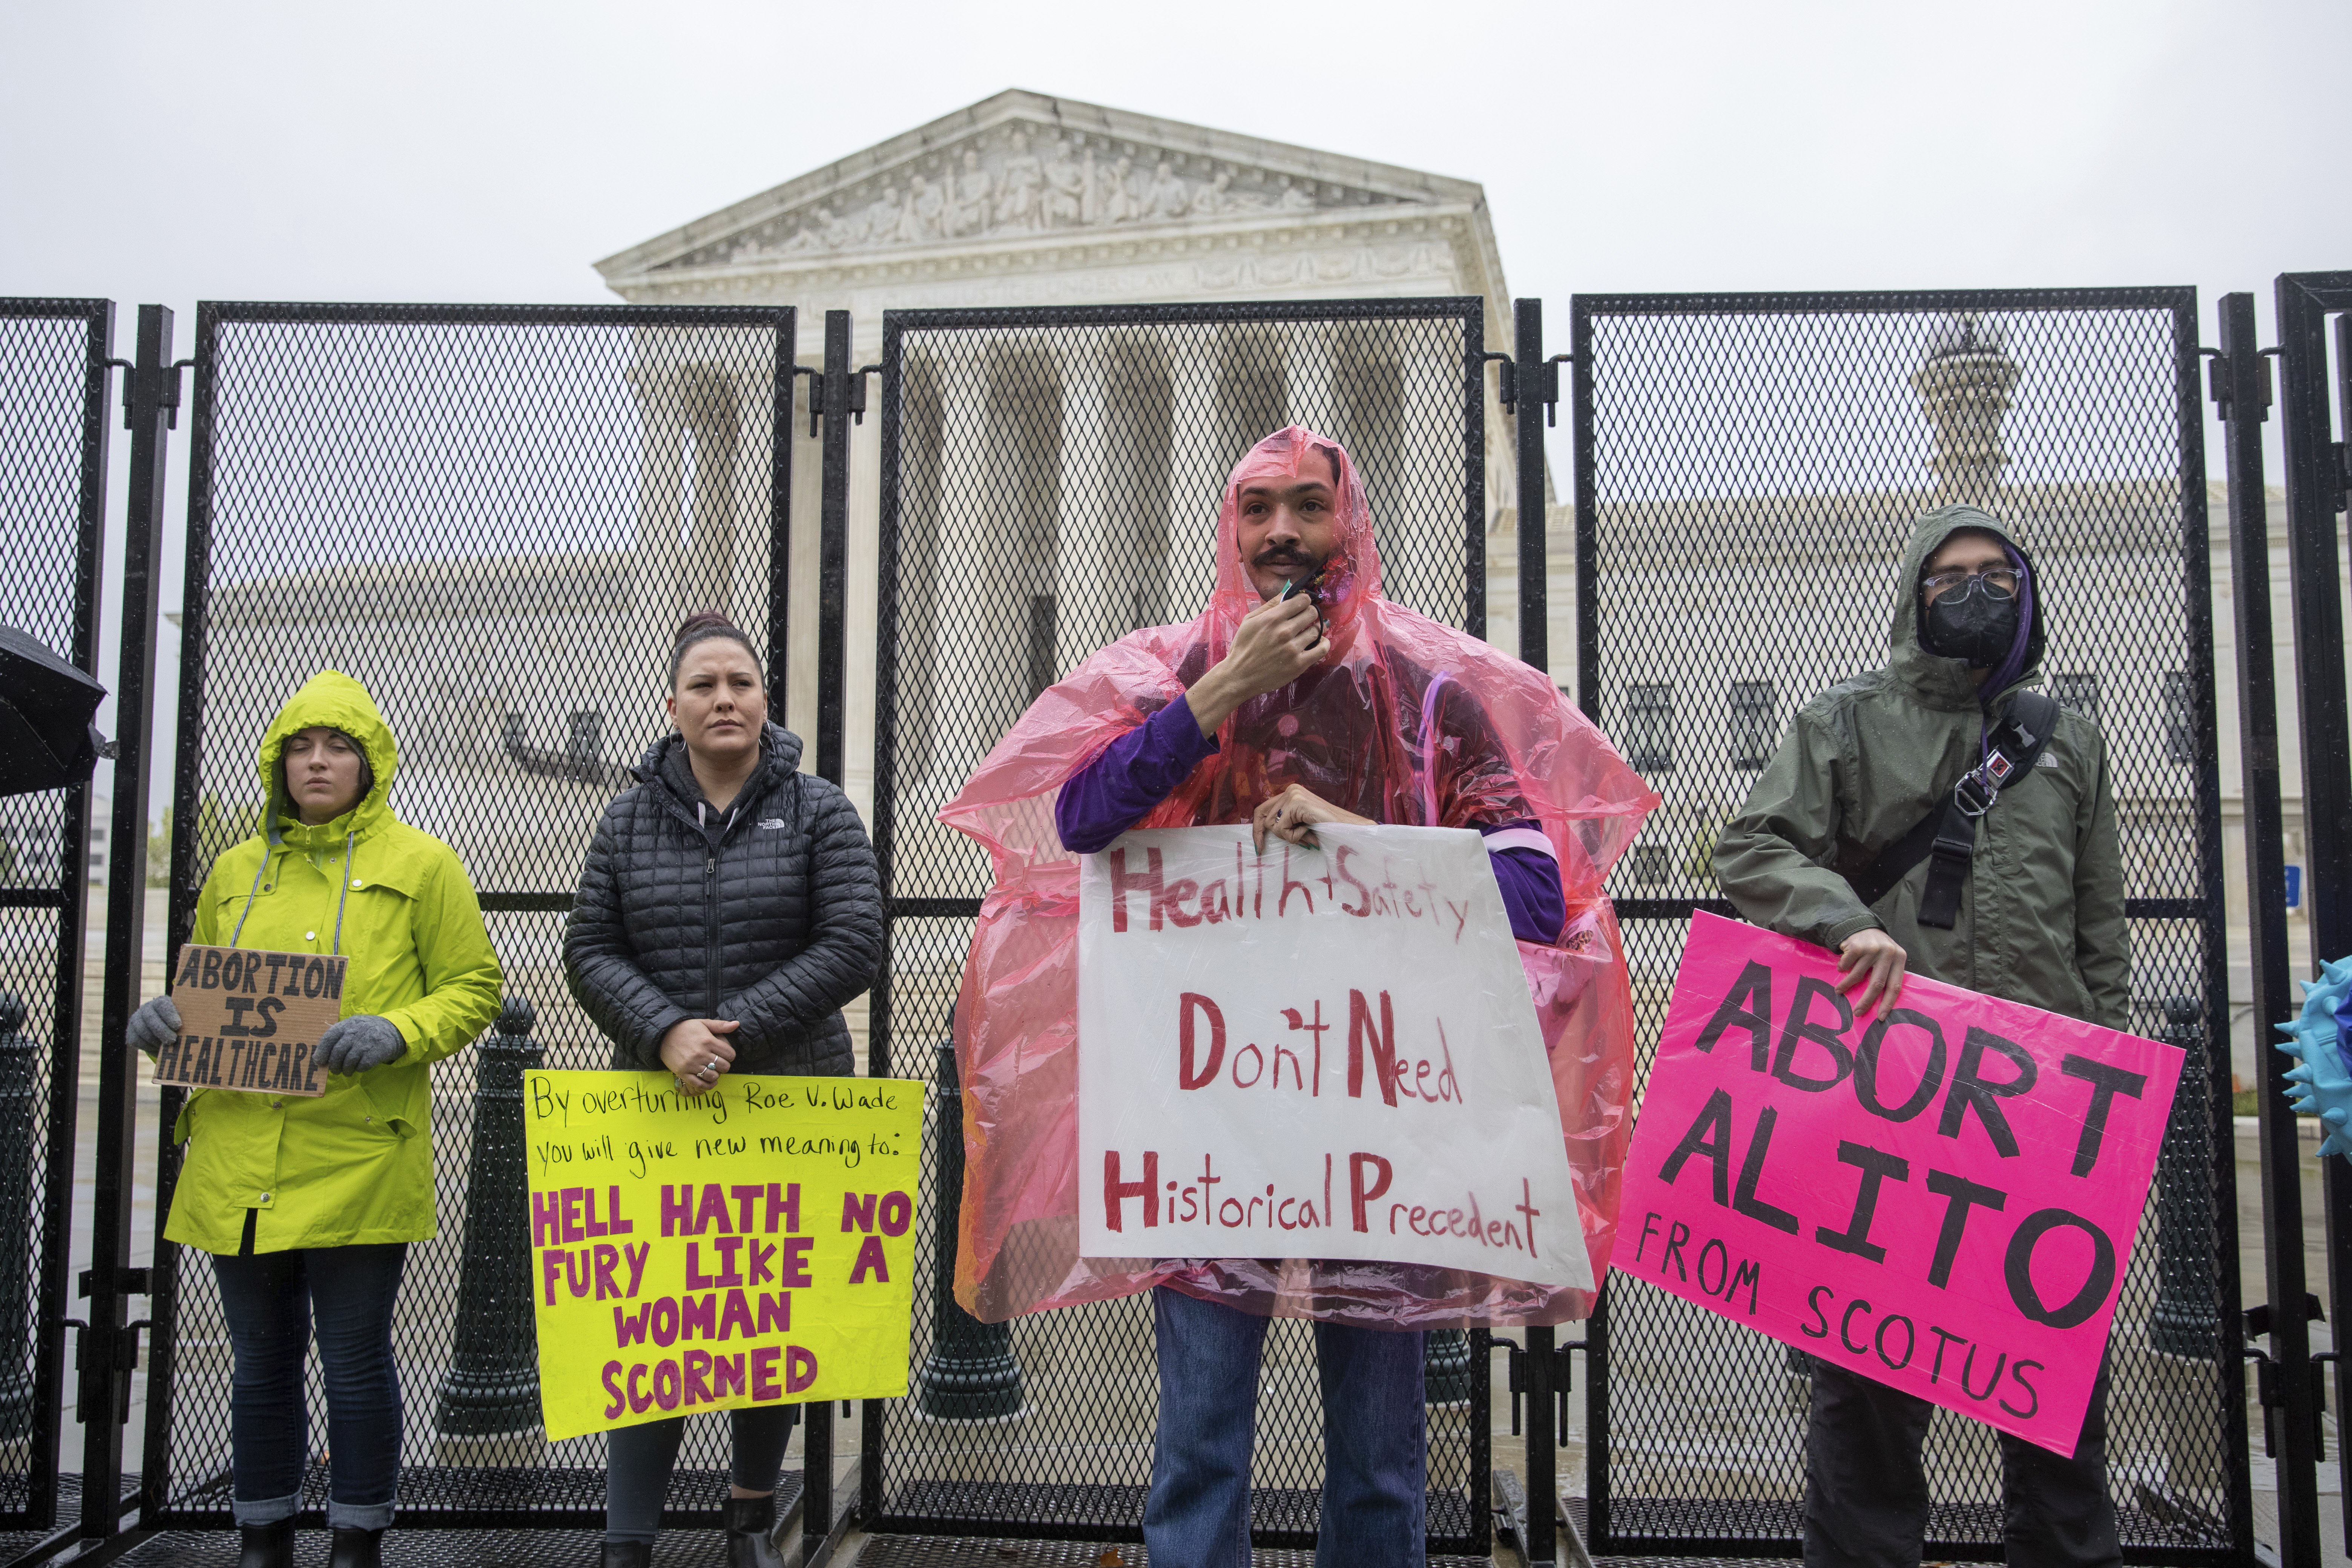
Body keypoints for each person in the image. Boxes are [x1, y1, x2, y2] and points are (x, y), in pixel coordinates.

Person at [938, 427, 1656, 1568]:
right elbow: (1076, 819)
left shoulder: (1428, 695)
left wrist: (1361, 833)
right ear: (1230, 532)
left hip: (1384, 1118)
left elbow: (1532, 889)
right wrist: (1223, 690)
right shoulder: (1175, 674)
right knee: (1201, 1440)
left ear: (1349, 526)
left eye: (1307, 507)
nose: (1281, 531)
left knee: (1379, 1457)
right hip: (1206, 1113)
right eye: (1257, 509)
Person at [1712, 505, 2127, 1568]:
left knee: (2054, 1409)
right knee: (1867, 1411)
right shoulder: (1843, 723)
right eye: (1949, 578)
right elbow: (1751, 845)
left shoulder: (2067, 738)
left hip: (2037, 1113)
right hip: (1888, 1108)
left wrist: (2106, 1087)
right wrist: (1841, 917)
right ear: (1912, 593)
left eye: (1995, 574)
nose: (1973, 591)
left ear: (2026, 593)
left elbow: (2098, 934)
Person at [123, 671, 502, 1568]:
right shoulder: (233, 872)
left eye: (338, 748)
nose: (319, 763)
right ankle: (262, 1539)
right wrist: (162, 1019)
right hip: (237, 1152)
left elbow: (474, 987)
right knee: (259, 1365)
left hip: (357, 1155)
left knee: (356, 1362)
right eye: (301, 748)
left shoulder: (425, 865)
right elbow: (209, 996)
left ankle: (356, 1541)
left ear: (371, 764)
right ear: (278, 764)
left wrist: (399, 1029)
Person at [563, 611, 886, 1568]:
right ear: (674, 707)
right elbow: (589, 948)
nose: (723, 700)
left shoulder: (820, 808)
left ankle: (750, 1520)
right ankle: (629, 1540)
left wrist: (730, 1030)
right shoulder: (626, 818)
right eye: (703, 686)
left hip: (787, 1101)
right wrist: (665, 1032)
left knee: (766, 1325)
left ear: (762, 702)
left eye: (739, 684)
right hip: (656, 1106)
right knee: (647, 1330)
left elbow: (854, 943)